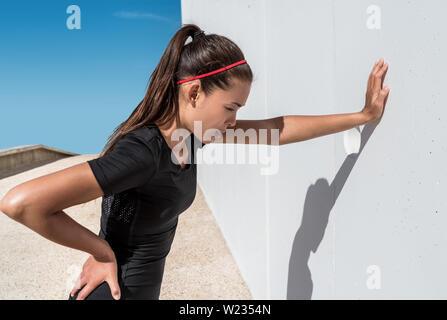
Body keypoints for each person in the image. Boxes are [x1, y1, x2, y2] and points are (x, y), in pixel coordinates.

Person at [0, 23, 390, 300]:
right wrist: (102, 252)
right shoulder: (144, 151)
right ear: (194, 93)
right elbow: (20, 202)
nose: (235, 120)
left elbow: (277, 129)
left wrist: (362, 116)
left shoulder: (189, 139)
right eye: (231, 107)